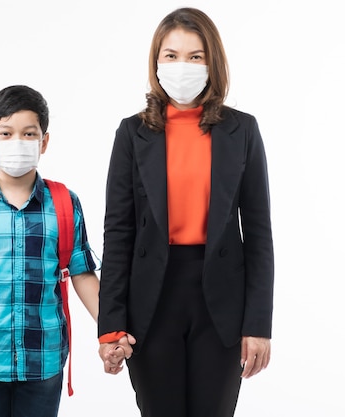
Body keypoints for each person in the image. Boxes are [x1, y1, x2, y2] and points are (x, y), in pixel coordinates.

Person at [97, 7, 275, 417]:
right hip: (151, 301)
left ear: (213, 63)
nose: (183, 66)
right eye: (171, 55)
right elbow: (118, 232)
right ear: (156, 63)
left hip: (222, 302)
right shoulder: (132, 132)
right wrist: (110, 323)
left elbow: (259, 233)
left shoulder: (242, 130)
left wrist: (258, 325)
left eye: (196, 56)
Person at [0, 85, 100, 417]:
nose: (18, 142)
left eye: (29, 134)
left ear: (44, 141)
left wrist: (111, 331)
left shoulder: (64, 203)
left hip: (44, 359)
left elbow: (82, 272)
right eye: (6, 133)